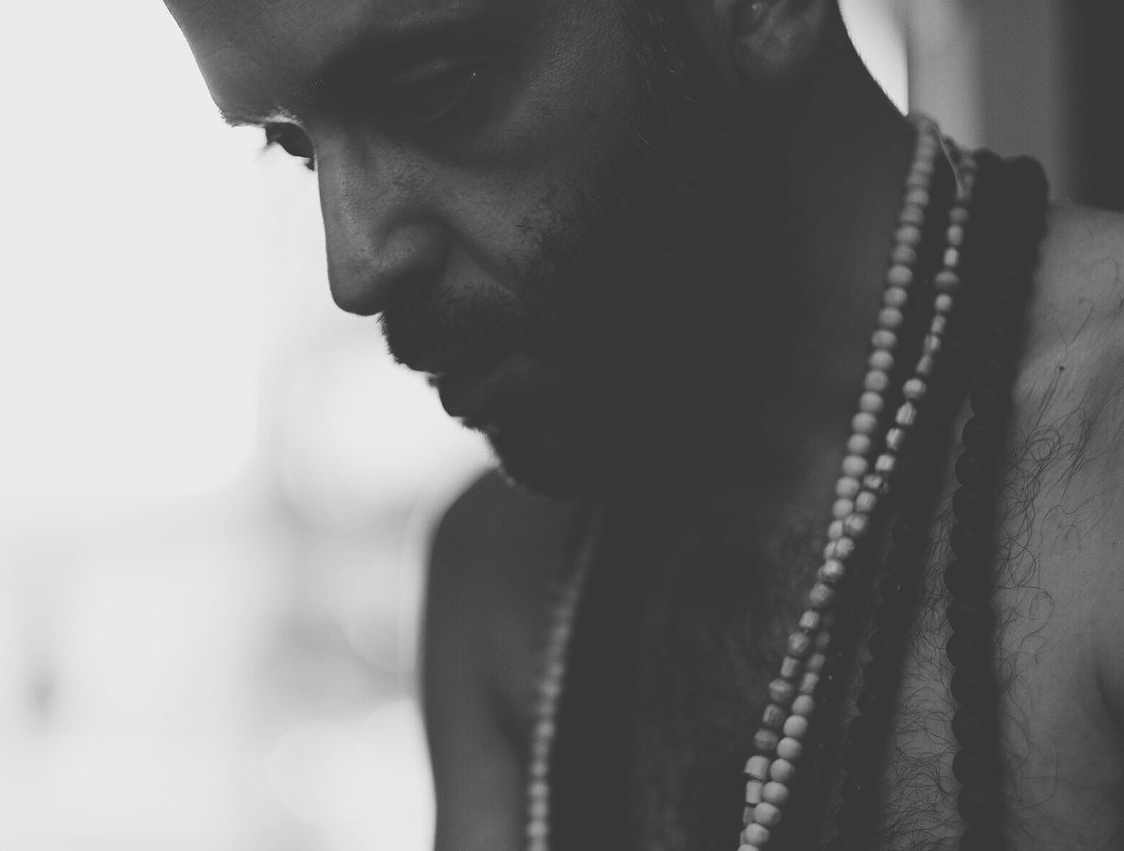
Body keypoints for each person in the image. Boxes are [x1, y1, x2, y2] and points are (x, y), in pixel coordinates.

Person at [162, 0, 1124, 847]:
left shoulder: (1097, 464)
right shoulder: (508, 582)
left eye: (435, 91)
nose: (356, 263)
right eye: (298, 147)